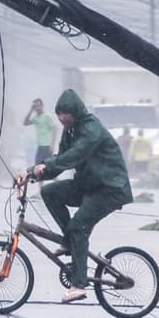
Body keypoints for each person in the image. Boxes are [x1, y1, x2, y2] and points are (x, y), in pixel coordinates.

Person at [20, 88, 132, 303]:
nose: (62, 118)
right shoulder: (69, 130)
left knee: (79, 227)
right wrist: (31, 172)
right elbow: (60, 160)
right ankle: (70, 241)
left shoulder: (91, 129)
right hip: (88, 184)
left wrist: (46, 165)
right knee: (50, 191)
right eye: (59, 113)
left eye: (66, 114)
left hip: (109, 188)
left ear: (76, 112)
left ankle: (79, 284)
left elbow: (75, 154)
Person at [23, 97, 58, 165]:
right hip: (40, 147)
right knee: (37, 167)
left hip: (47, 147)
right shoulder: (35, 118)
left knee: (48, 167)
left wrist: (52, 144)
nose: (37, 108)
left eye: (38, 106)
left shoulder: (47, 116)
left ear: (42, 106)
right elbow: (25, 123)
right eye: (35, 106)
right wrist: (31, 110)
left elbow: (55, 129)